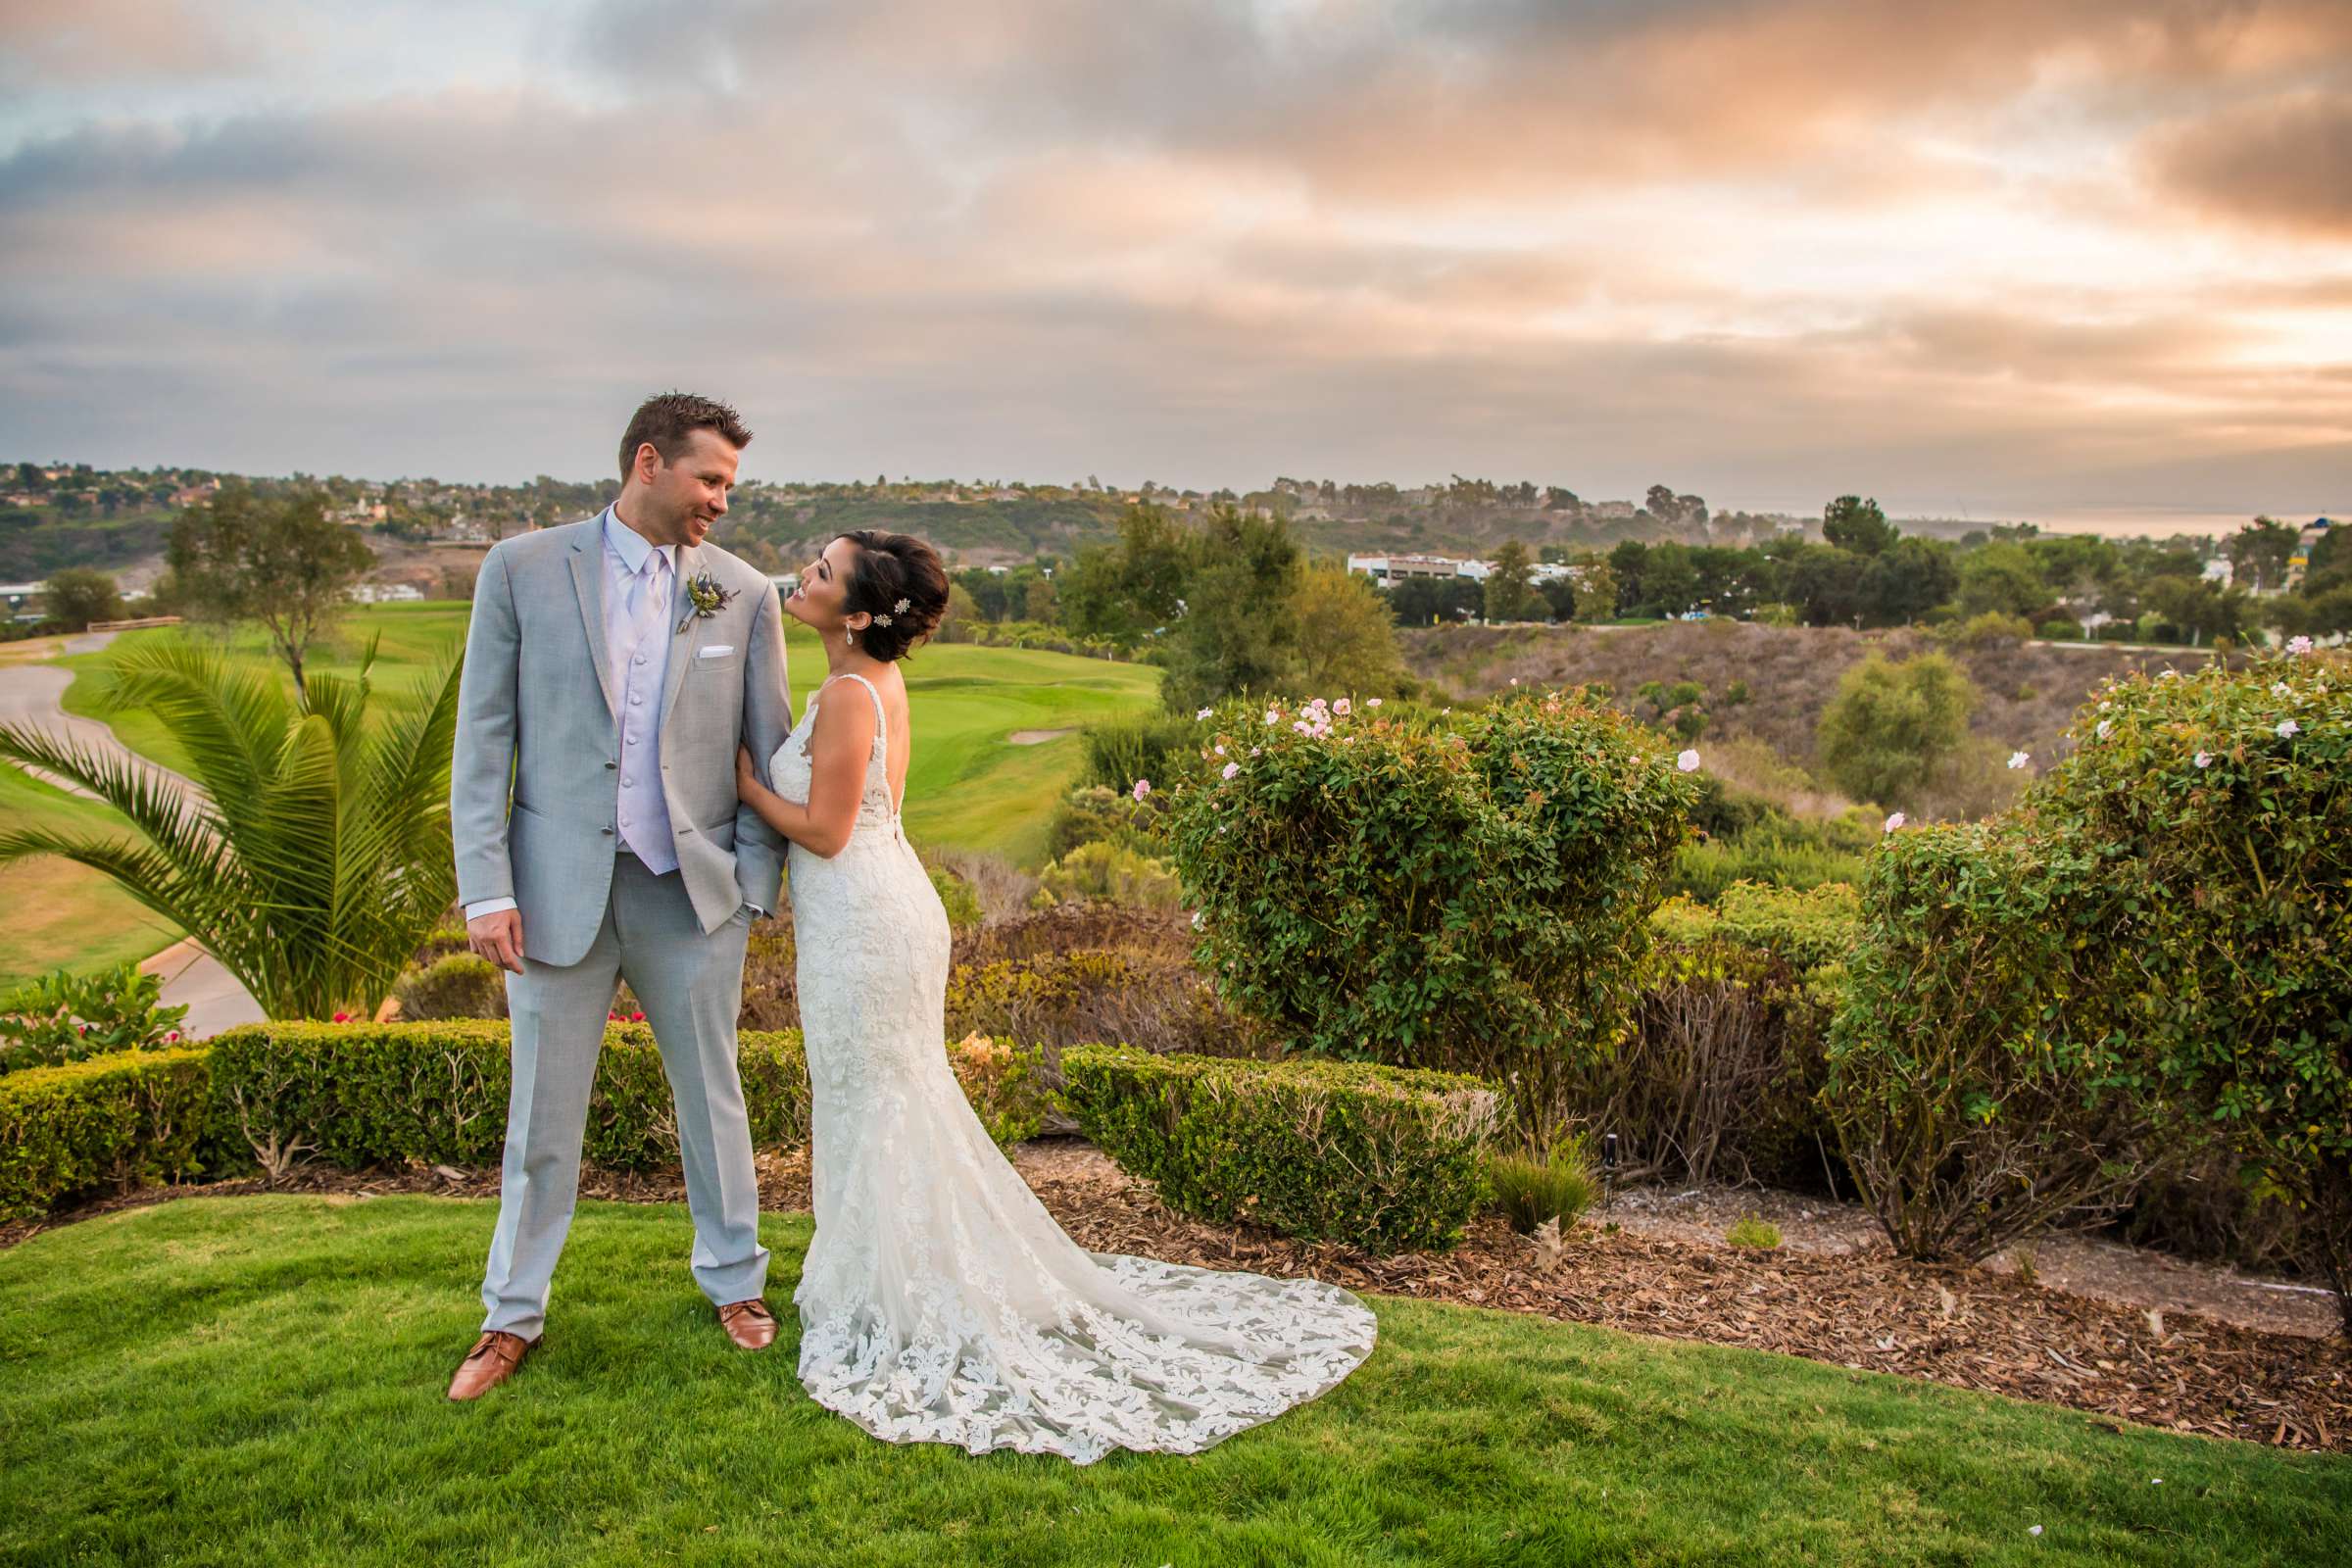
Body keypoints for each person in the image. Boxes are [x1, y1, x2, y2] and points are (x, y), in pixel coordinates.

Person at [734, 528, 1376, 1463]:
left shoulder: (844, 693)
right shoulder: (870, 684)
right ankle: (879, 1278)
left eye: (823, 573)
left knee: (877, 1096)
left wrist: (749, 786)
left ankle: (889, 1291)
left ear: (862, 614)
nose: (806, 577)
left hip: (865, 918)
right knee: (879, 1095)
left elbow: (826, 833)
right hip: (877, 909)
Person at [445, 391, 793, 1400]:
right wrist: (486, 890)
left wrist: (751, 890)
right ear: (650, 462)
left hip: (692, 896)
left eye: (730, 483)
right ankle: (512, 1312)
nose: (722, 502)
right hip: (555, 892)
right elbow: (485, 743)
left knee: (713, 1099)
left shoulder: (741, 592)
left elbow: (765, 747)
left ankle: (735, 1279)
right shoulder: (521, 569)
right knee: (540, 1117)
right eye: (710, 479)